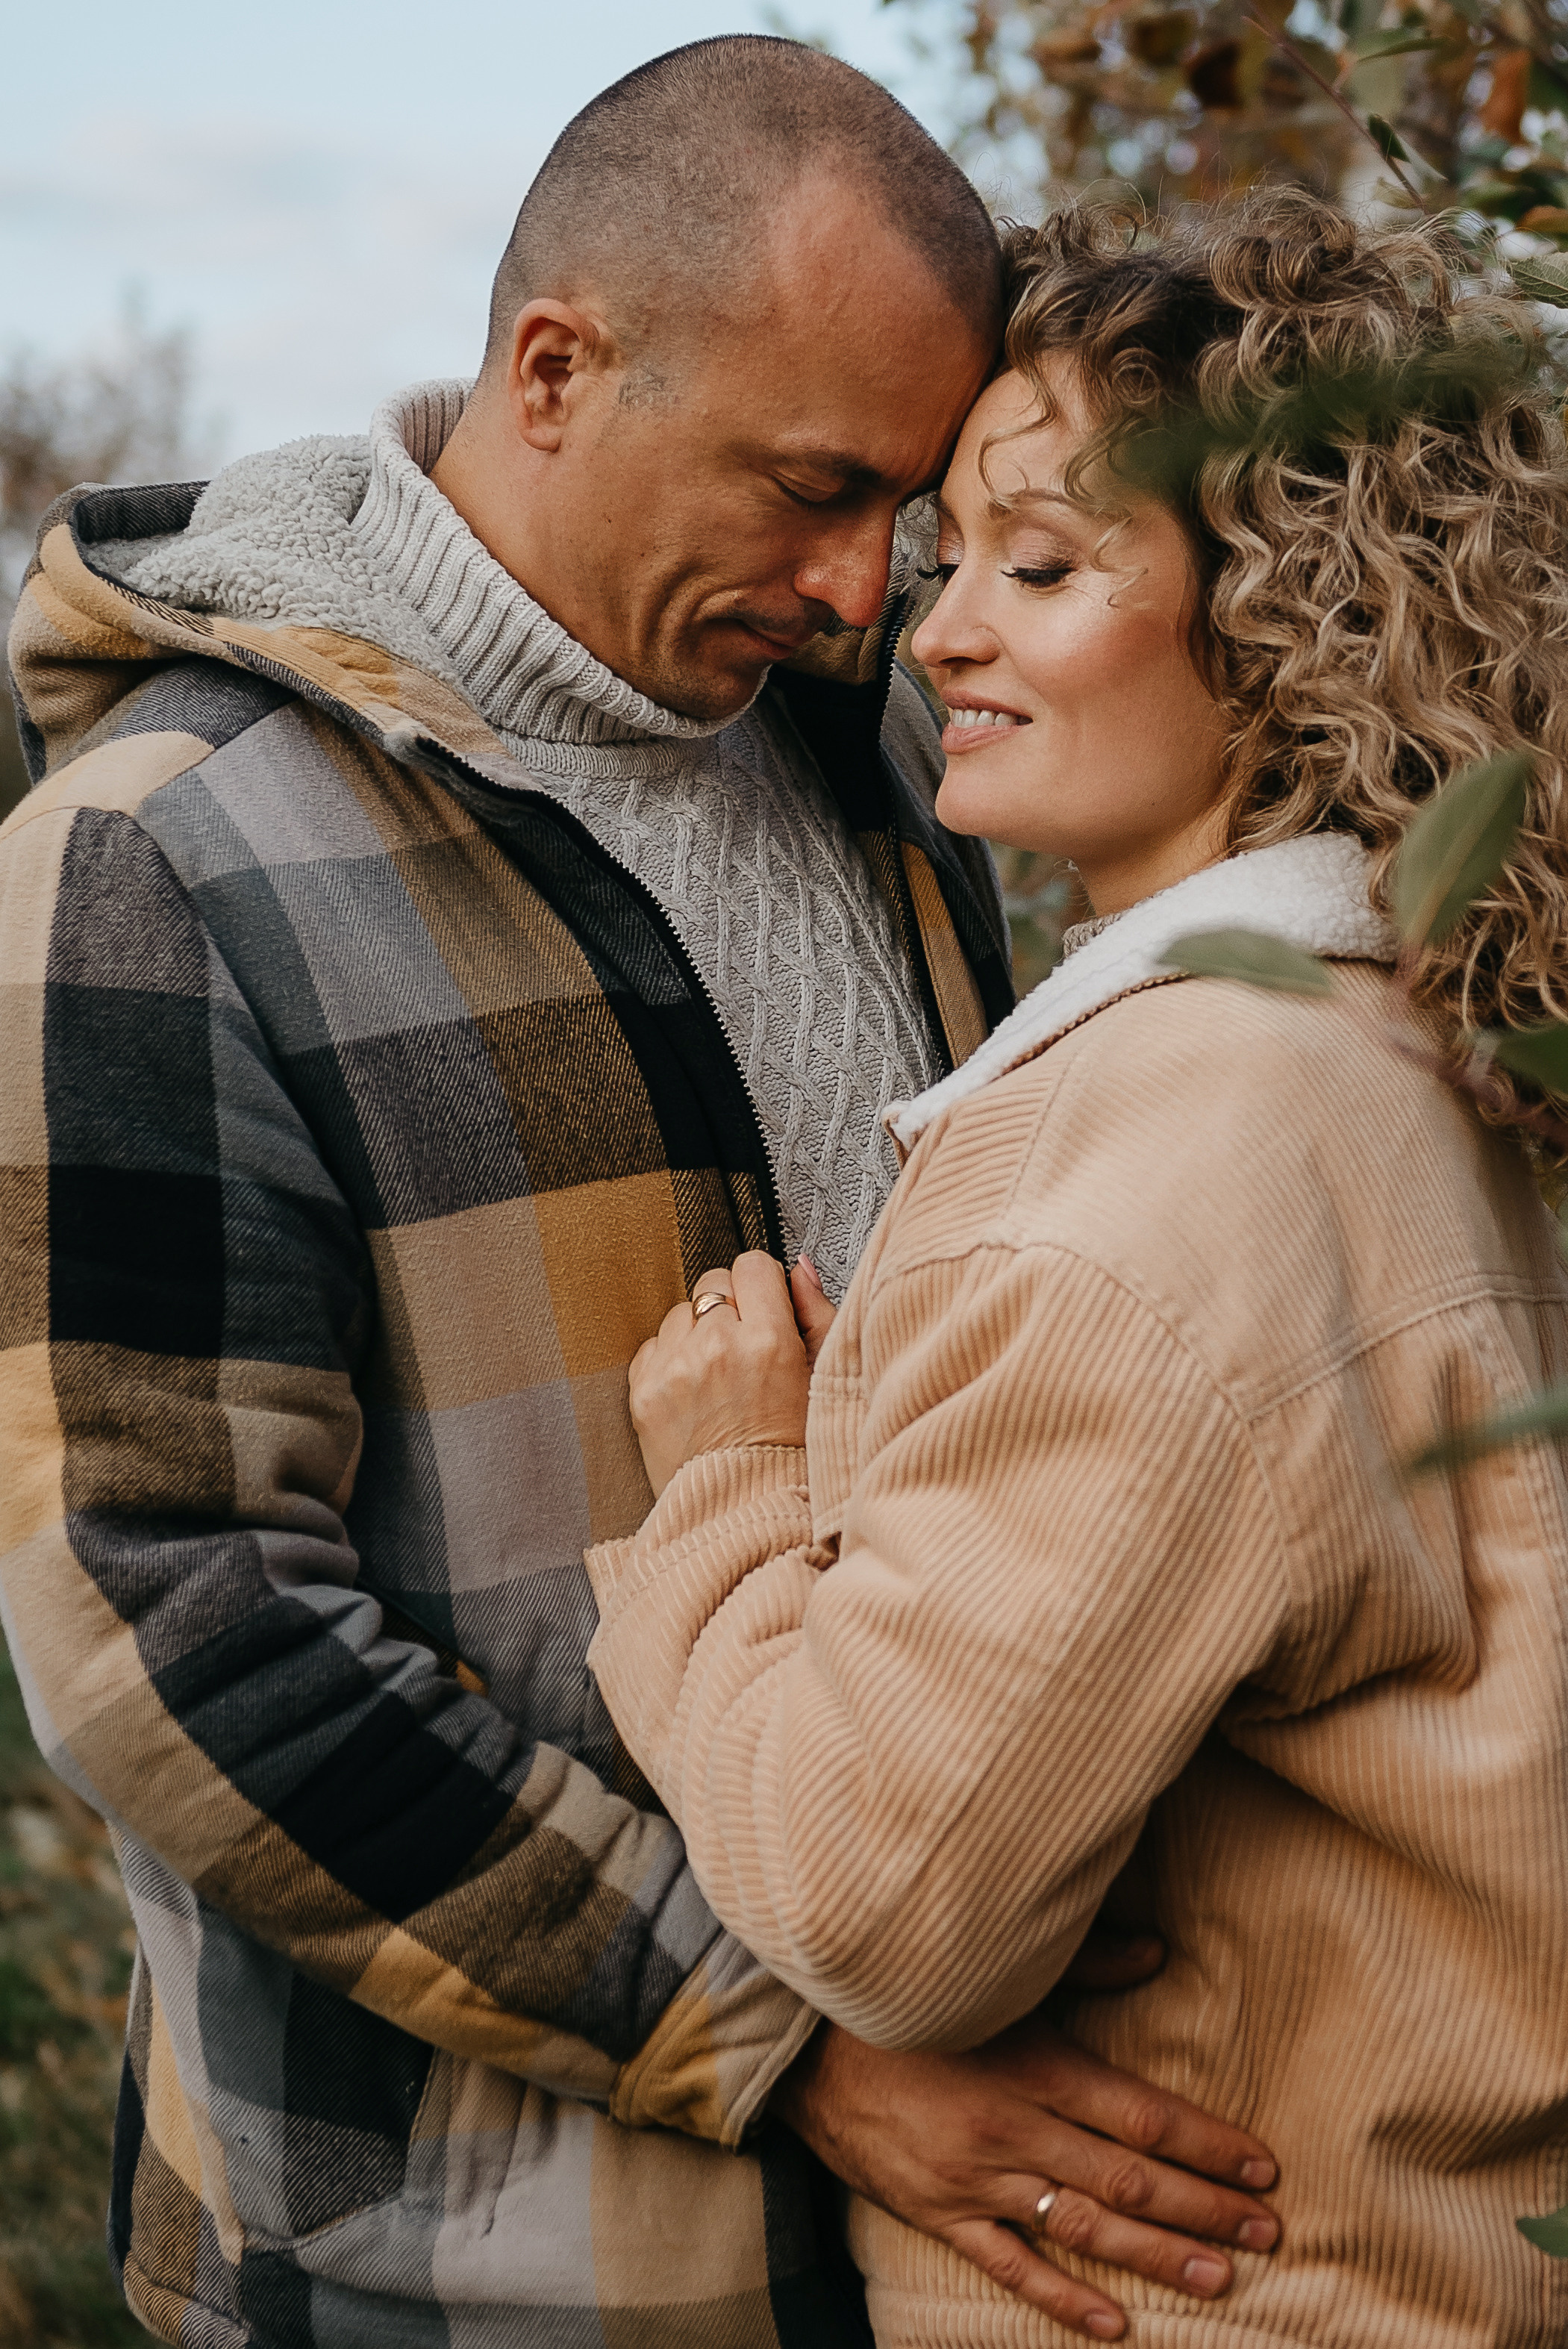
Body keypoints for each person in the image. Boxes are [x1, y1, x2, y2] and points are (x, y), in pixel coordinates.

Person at [0, 37, 1281, 2349]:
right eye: (812, 487)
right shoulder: (154, 864)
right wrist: (782, 2045)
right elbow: (174, 1629)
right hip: (459, 2280)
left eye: (903, 504)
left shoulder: (864, 754)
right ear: (559, 367)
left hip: (927, 2235)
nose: (863, 583)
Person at [585, 189, 1568, 2348]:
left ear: (1296, 618)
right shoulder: (1415, 1043)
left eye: (1041, 566)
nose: (934, 635)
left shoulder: (1177, 1160)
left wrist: (730, 1496)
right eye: (952, 564)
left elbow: (882, 1901)